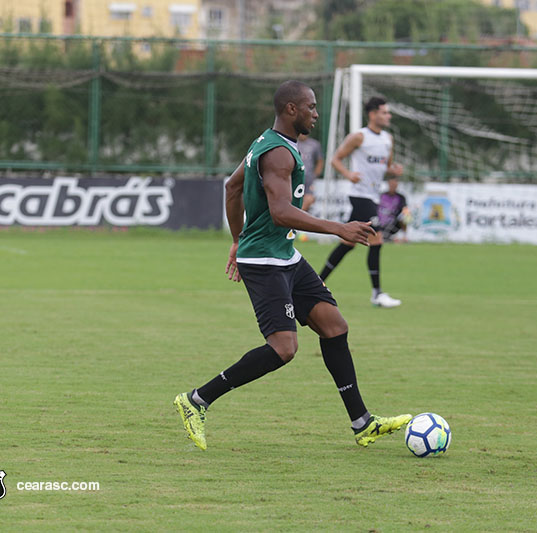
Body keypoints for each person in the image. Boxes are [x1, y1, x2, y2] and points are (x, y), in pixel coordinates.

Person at [173, 81, 411, 450]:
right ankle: (196, 400)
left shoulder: (269, 143)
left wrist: (237, 240)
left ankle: (362, 423)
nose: (316, 114)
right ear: (291, 110)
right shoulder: (278, 154)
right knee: (284, 349)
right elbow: (280, 212)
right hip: (266, 263)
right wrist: (338, 228)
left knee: (334, 327)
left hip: (284, 256)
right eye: (311, 107)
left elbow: (232, 188)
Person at [319, 97, 404, 307]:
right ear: (373, 114)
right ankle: (377, 293)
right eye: (384, 112)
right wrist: (348, 174)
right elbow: (335, 159)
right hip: (360, 195)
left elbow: (386, 166)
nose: (388, 116)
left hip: (373, 196)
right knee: (377, 239)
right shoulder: (359, 137)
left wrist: (393, 170)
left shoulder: (387, 139)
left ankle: (317, 284)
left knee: (347, 243)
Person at [297, 133, 323, 212]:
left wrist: (315, 175)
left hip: (308, 179)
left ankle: (298, 217)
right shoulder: (293, 143)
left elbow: (320, 161)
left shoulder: (314, 144)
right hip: (295, 178)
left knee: (309, 200)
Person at [378, 177, 408, 242]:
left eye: (395, 184)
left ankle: (404, 236)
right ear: (388, 184)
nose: (393, 186)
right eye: (391, 184)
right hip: (380, 221)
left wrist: (406, 216)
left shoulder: (400, 197)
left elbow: (405, 209)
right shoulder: (382, 195)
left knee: (405, 217)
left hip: (393, 222)